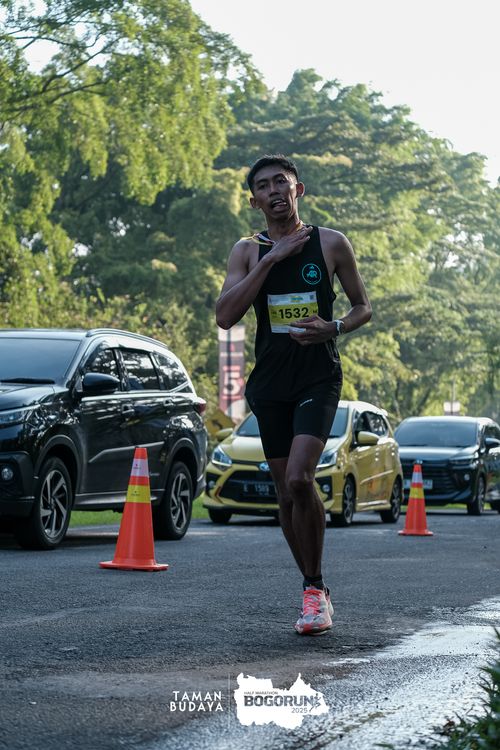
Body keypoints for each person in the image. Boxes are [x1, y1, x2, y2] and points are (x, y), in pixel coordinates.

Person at [215, 154, 372, 635]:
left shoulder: (331, 243)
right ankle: (313, 588)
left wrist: (334, 327)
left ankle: (314, 588)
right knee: (285, 491)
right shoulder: (247, 251)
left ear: (297, 189)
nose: (274, 191)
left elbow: (363, 307)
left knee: (301, 479)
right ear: (255, 201)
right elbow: (225, 315)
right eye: (263, 186)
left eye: (281, 182)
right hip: (270, 383)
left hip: (317, 377)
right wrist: (271, 259)